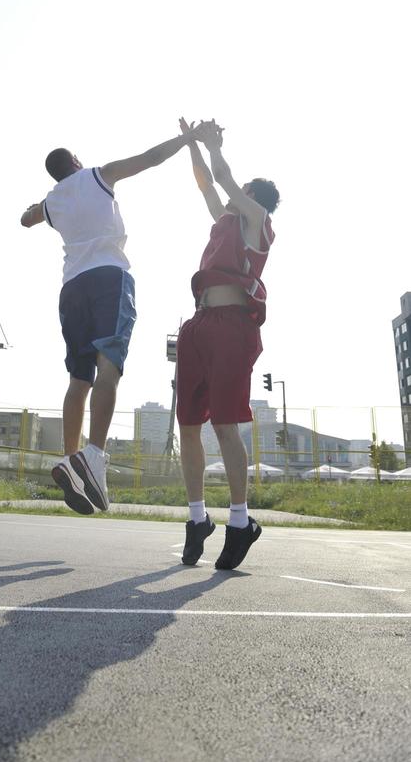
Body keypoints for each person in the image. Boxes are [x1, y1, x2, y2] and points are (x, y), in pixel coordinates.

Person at [21, 123, 209, 515]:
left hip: (71, 288)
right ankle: (93, 456)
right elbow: (149, 159)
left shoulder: (53, 201)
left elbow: (26, 219)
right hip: (109, 278)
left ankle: (71, 458)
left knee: (78, 380)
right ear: (75, 161)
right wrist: (186, 140)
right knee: (109, 370)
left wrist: (34, 208)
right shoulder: (98, 175)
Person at [176, 117, 279, 570]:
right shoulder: (225, 220)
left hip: (233, 326)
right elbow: (206, 185)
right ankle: (198, 519)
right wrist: (191, 144)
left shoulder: (256, 219)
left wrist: (214, 144)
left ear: (253, 196)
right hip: (198, 324)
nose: (236, 196)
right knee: (188, 425)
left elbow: (222, 179)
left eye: (243, 190)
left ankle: (240, 522)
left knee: (224, 425)